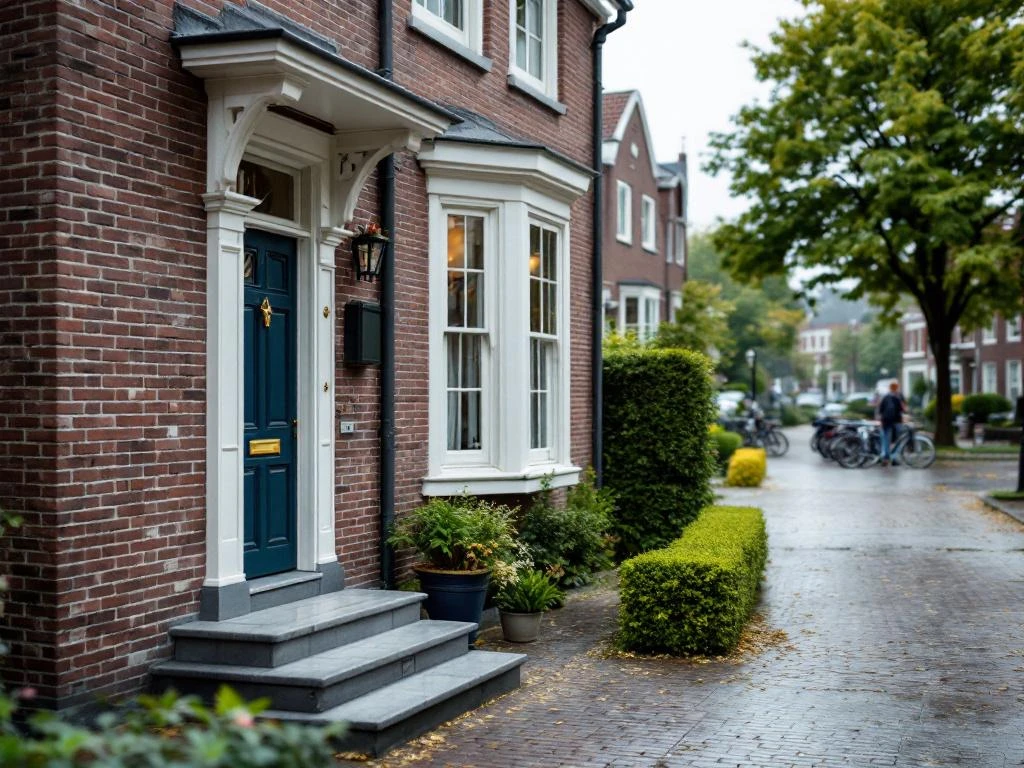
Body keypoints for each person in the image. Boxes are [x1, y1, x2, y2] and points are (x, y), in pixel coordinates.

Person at [876, 381, 907, 466]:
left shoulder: (885, 397)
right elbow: (903, 409)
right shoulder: (899, 396)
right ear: (897, 387)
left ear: (890, 388)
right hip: (897, 421)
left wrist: (880, 420)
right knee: (898, 440)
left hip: (886, 421)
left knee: (886, 440)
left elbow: (880, 409)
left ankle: (885, 458)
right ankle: (894, 458)